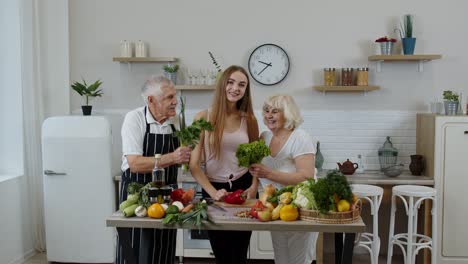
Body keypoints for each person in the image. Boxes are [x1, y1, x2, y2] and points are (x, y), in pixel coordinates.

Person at [189, 65, 259, 264]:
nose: (235, 88)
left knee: (239, 253)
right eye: (231, 82)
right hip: (214, 190)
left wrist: (253, 187)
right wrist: (213, 192)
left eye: (242, 85)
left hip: (243, 188)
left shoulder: (250, 120)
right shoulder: (202, 118)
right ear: (222, 85)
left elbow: (255, 160)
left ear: (246, 90)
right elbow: (194, 165)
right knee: (222, 253)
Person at [117, 76, 191, 264]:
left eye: (175, 96)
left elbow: (186, 154)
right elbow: (135, 163)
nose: (175, 101)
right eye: (169, 97)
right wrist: (173, 157)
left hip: (166, 196)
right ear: (151, 100)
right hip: (137, 194)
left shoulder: (175, 121)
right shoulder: (135, 119)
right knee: (135, 250)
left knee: (163, 249)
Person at [249, 94, 319, 264]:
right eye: (266, 111)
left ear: (287, 114)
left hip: (300, 207)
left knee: (298, 259)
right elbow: (258, 169)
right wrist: (252, 187)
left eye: (275, 111)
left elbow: (306, 176)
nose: (269, 115)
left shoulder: (300, 138)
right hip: (275, 208)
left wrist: (269, 174)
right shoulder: (265, 137)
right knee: (281, 258)